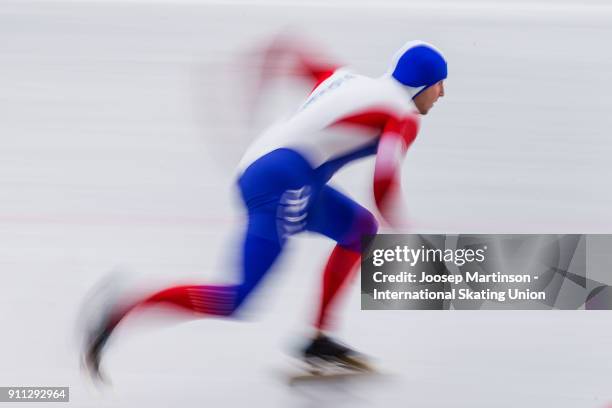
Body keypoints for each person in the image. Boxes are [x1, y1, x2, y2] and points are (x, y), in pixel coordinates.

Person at [82, 37, 447, 380]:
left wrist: (267, 59)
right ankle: (123, 309)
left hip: (271, 167)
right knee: (237, 300)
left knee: (359, 229)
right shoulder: (402, 117)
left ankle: (318, 340)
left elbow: (303, 60)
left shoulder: (347, 78)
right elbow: (382, 186)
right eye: (439, 84)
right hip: (284, 181)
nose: (442, 93)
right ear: (422, 84)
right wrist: (410, 232)